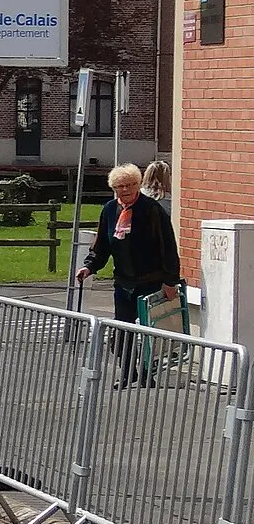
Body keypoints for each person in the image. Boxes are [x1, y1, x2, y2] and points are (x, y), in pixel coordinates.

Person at [76, 162, 182, 387]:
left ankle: (146, 373)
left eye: (131, 185)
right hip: (124, 282)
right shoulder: (109, 210)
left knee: (147, 331)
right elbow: (102, 244)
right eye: (121, 186)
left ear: (138, 184)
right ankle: (127, 372)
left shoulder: (152, 209)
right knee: (123, 329)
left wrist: (170, 280)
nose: (126, 190)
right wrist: (89, 267)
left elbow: (168, 247)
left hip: (151, 280)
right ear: (114, 188)